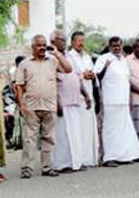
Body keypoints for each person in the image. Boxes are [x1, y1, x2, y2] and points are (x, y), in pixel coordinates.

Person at [16, 34, 72, 178]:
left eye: (44, 45)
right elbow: (19, 86)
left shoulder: (53, 61)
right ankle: (27, 169)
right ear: (32, 47)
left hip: (49, 105)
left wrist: (57, 53)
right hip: (31, 106)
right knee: (30, 138)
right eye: (39, 45)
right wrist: (21, 105)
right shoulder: (25, 63)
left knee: (49, 137)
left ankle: (47, 167)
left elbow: (68, 69)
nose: (42, 48)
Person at [93, 36, 139, 166]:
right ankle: (109, 158)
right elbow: (97, 76)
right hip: (110, 100)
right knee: (110, 130)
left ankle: (125, 155)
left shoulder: (124, 60)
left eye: (119, 46)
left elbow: (127, 81)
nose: (117, 48)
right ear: (110, 47)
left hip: (123, 100)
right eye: (114, 46)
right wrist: (105, 67)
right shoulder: (104, 58)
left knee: (124, 129)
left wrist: (130, 99)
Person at [52, 30, 92, 171]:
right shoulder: (50, 57)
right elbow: (51, 82)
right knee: (63, 135)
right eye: (60, 39)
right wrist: (57, 102)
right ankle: (62, 165)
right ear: (53, 42)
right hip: (62, 102)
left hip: (74, 101)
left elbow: (77, 77)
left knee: (75, 134)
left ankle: (75, 162)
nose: (63, 42)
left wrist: (86, 95)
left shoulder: (70, 57)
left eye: (64, 39)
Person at [67, 31, 100, 167]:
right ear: (73, 42)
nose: (81, 43)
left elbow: (94, 74)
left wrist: (92, 75)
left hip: (89, 95)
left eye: (83, 40)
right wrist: (82, 75)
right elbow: (69, 75)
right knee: (78, 130)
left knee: (88, 129)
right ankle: (79, 159)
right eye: (78, 41)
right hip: (76, 98)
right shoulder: (69, 57)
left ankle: (89, 159)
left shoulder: (87, 56)